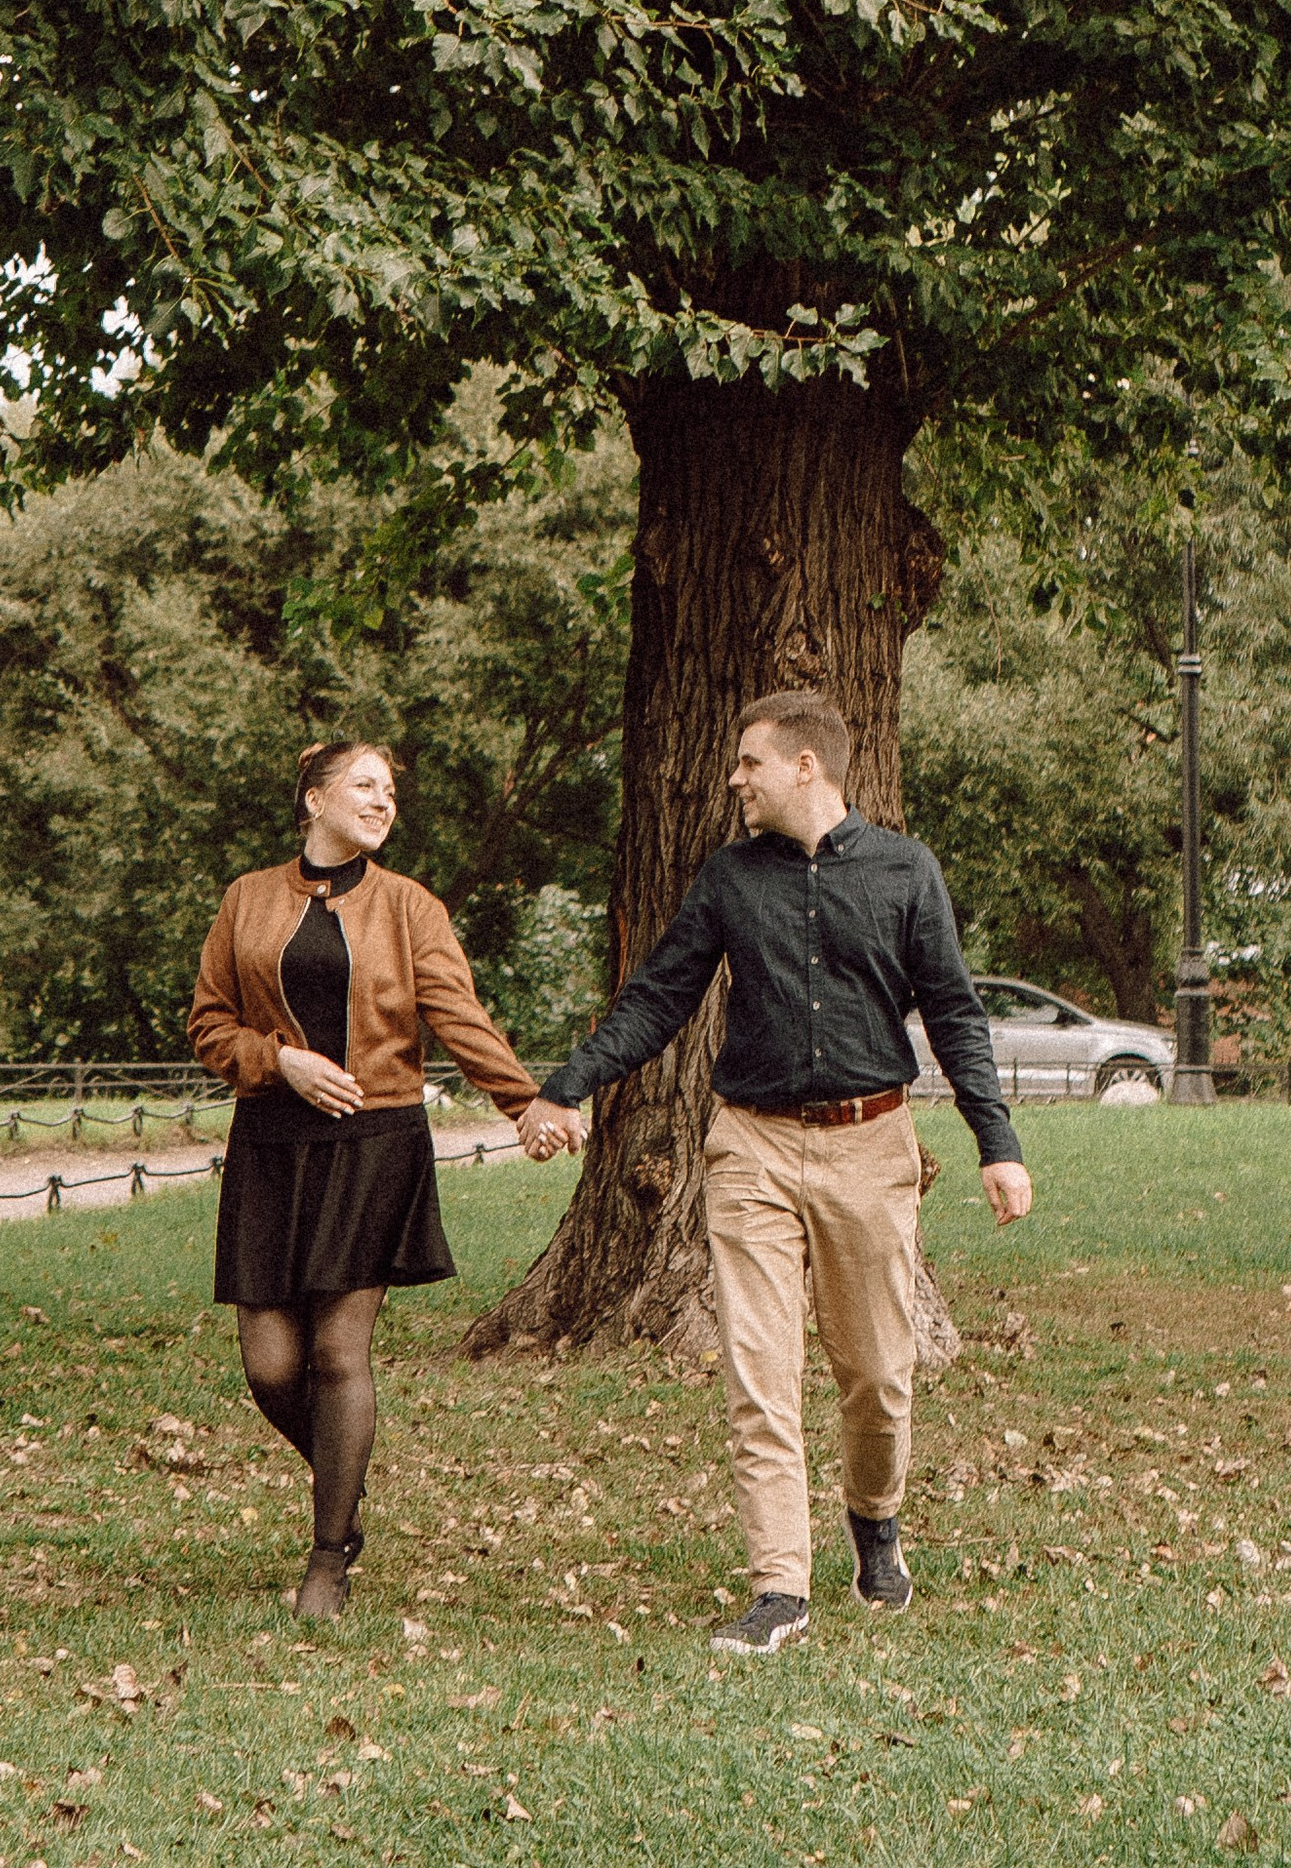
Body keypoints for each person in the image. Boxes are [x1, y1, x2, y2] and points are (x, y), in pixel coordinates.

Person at [517, 688, 1032, 1651]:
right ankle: (780, 1589)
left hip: (870, 1145)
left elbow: (956, 1014)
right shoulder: (728, 878)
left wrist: (996, 1146)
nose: (734, 779)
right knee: (761, 1373)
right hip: (749, 1146)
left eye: (749, 762)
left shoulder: (905, 871)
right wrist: (566, 1088)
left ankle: (874, 1521)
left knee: (877, 1375)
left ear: (807, 765)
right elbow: (658, 997)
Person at [189, 740, 540, 1619]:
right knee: (271, 1365)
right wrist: (279, 1062)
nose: (383, 802)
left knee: (340, 1354)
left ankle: (327, 1558)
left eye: (389, 791)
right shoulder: (246, 899)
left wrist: (525, 1102)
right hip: (271, 1144)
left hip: (374, 1141)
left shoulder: (410, 906)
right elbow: (208, 1024)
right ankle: (343, 1481)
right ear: (314, 800)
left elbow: (458, 1016)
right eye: (364, 786)